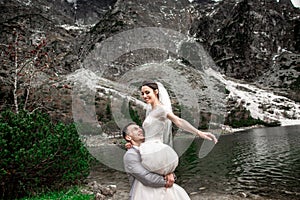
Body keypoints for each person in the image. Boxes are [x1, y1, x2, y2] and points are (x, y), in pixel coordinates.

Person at [133, 80, 218, 175]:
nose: (144, 96)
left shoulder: (162, 109)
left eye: (147, 92)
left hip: (155, 150)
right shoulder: (151, 110)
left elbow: (179, 121)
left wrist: (198, 132)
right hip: (146, 148)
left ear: (156, 92)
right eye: (142, 93)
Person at [122, 122, 191, 200]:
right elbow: (146, 177)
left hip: (161, 191)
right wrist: (167, 181)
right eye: (135, 129)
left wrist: (170, 174)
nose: (140, 130)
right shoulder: (130, 155)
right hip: (144, 194)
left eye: (139, 128)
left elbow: (161, 167)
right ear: (128, 137)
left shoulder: (150, 150)